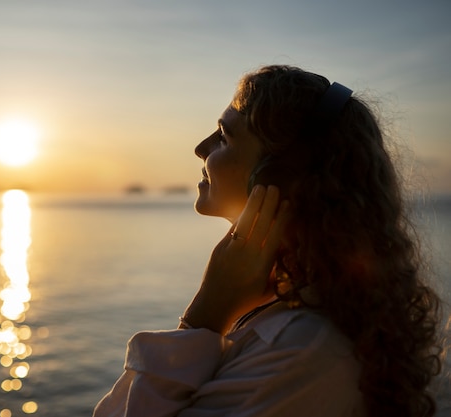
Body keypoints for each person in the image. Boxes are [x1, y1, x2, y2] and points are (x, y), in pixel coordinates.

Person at [93, 65, 443, 417]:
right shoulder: (290, 314)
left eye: (224, 136)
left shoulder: (300, 351)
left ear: (280, 178)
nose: (201, 148)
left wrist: (204, 316)